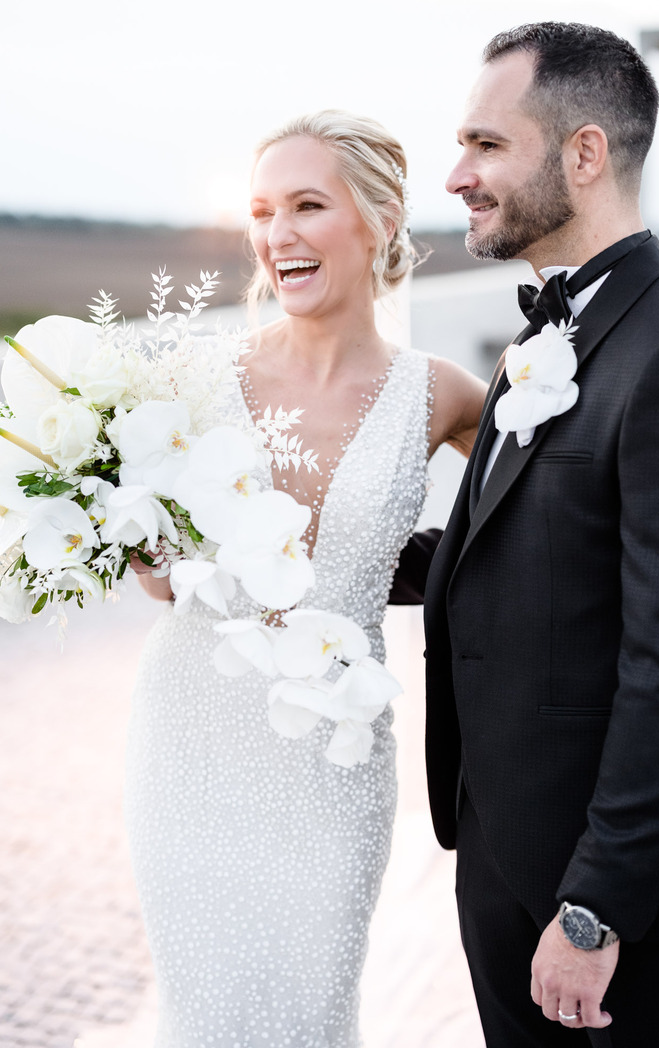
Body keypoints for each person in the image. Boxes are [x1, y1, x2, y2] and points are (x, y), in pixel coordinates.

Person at [126, 109, 486, 1048]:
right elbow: (164, 585)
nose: (277, 234)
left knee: (315, 1006)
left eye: (307, 205)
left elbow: (537, 524)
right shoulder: (193, 383)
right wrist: (116, 518)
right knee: (202, 1011)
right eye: (261, 211)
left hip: (334, 757)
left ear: (376, 218)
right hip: (191, 740)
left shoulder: (440, 393)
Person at [421, 22, 659, 1046]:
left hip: (604, 910)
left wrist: (595, 908)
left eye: (487, 145)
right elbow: (523, 553)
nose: (458, 175)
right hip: (498, 859)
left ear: (583, 153)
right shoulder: (548, 336)